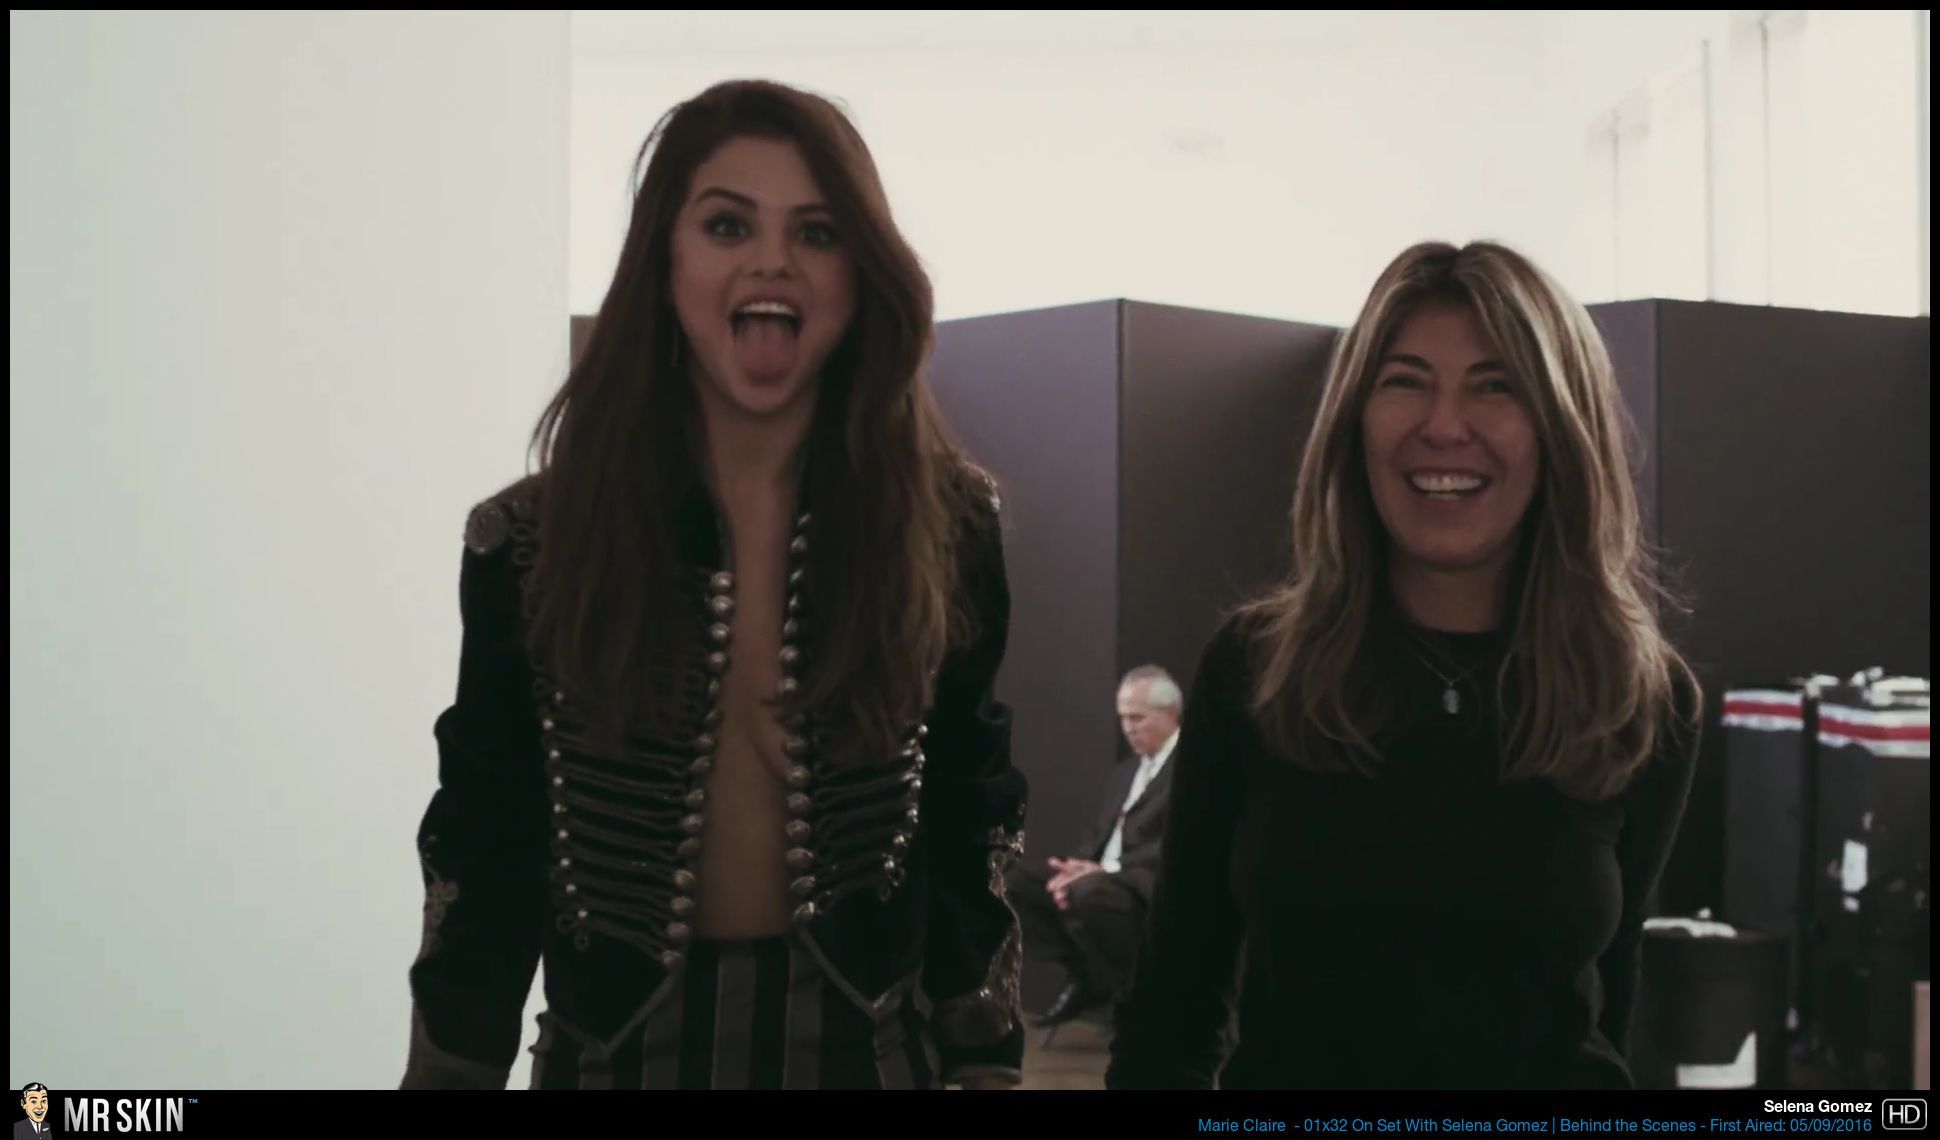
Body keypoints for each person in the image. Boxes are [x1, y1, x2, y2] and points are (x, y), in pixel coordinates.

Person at [400, 79, 1027, 1091]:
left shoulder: (947, 527)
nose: (771, 261)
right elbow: (488, 840)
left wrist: (984, 1059)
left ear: (861, 273)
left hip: (869, 1059)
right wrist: (447, 1073)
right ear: (666, 260)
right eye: (728, 224)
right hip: (611, 1063)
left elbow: (968, 808)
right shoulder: (528, 543)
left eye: (816, 232)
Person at [1106, 240, 1702, 1090]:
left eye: (1496, 386)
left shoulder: (1639, 694)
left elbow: (1610, 987)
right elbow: (1178, 982)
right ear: (1354, 418)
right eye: (1405, 381)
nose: (1444, 426)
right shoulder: (1257, 668)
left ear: (1561, 429)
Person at [1007, 665, 1181, 1026]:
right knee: (1012, 882)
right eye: (1123, 718)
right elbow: (1100, 834)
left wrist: (1105, 871)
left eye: (1137, 718)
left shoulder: (1190, 771)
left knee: (1089, 892)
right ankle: (1087, 973)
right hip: (1100, 879)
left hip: (1145, 887)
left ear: (1170, 714)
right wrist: (1072, 870)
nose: (1128, 728)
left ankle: (1133, 993)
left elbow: (1174, 845)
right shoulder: (1125, 772)